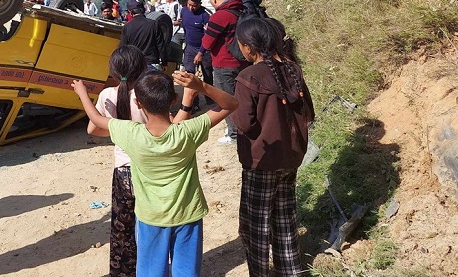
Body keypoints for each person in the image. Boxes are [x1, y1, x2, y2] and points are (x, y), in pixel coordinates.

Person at [72, 70, 237, 277]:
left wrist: (82, 93)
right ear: (174, 99)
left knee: (151, 272)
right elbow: (231, 104)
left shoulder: (130, 133)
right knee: (186, 272)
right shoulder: (188, 131)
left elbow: (95, 118)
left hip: (151, 218)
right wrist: (201, 86)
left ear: (139, 103)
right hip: (187, 215)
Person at [231, 17, 314, 276]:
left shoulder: (247, 77)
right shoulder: (292, 70)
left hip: (261, 160)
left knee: (255, 227)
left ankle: (260, 273)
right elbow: (309, 114)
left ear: (248, 47)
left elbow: (243, 123)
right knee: (284, 219)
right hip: (291, 157)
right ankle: (290, 270)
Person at [86, 46, 147, 275]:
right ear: (142, 68)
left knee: (122, 226)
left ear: (113, 71)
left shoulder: (106, 95)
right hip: (147, 168)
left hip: (123, 171)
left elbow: (93, 128)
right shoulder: (147, 93)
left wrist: (118, 133)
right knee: (148, 225)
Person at [198, 0, 245, 144]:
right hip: (242, 60)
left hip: (224, 63)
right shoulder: (240, 9)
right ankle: (243, 127)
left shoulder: (219, 16)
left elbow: (208, 41)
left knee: (225, 99)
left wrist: (200, 52)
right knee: (241, 97)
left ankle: (233, 133)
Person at [179, 0, 214, 110]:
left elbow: (208, 35)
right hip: (190, 48)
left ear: (199, 4)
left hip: (204, 49)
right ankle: (193, 102)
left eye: (194, 6)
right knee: (189, 74)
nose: (191, 8)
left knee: (207, 74)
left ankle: (210, 98)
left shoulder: (205, 15)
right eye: (189, 4)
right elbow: (185, 27)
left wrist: (201, 52)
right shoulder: (184, 11)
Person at [119, 0, 166, 71]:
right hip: (151, 64)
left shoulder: (127, 27)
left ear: (130, 12)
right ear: (143, 10)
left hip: (134, 65)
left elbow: (123, 48)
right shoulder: (154, 24)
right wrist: (164, 62)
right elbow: (161, 45)